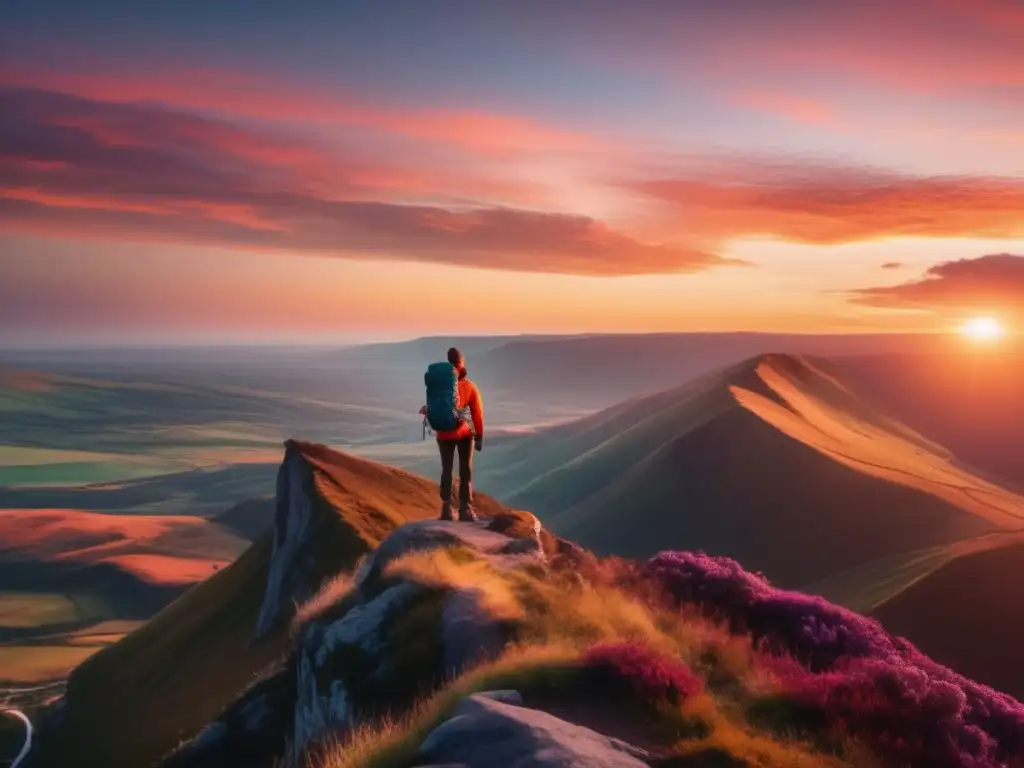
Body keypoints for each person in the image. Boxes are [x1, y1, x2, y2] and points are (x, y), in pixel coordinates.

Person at [420, 347, 484, 521]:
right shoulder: (469, 386)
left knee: (446, 469)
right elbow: (477, 414)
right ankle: (465, 509)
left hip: (443, 433)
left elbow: (432, 405)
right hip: (463, 432)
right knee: (465, 470)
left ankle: (446, 509)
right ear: (461, 364)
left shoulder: (440, 387)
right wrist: (479, 437)